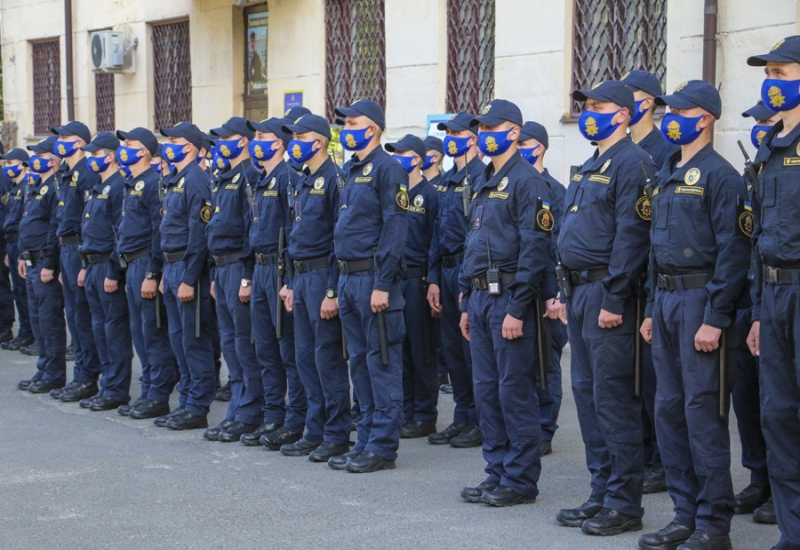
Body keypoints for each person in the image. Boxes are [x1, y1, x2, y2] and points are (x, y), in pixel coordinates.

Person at [637, 80, 749, 550]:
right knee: (667, 408)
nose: (668, 118)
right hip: (664, 301)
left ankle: (713, 523)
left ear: (703, 118)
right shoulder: (666, 169)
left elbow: (734, 251)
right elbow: (655, 249)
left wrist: (715, 316)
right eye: (667, 111)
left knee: (701, 410)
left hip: (699, 300)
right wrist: (648, 307)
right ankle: (685, 513)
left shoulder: (721, 176)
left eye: (678, 112)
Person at [556, 80, 653, 536]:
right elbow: (575, 233)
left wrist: (615, 298)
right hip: (578, 294)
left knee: (614, 400)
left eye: (597, 106)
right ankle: (601, 492)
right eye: (585, 106)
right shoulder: (593, 163)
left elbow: (632, 238)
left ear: (623, 114)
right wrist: (562, 289)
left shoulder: (633, 163)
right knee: (590, 399)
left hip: (607, 297)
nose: (588, 113)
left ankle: (624, 502)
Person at [457, 99, 554, 507]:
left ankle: (520, 479)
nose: (483, 135)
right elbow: (474, 241)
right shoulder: (483, 177)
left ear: (513, 132)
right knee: (486, 390)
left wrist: (517, 308)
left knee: (514, 390)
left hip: (509, 299)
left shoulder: (527, 181)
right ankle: (496, 471)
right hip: (480, 298)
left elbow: (535, 249)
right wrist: (465, 298)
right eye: (480, 129)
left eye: (491, 128)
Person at [330, 99, 407, 473]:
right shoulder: (351, 168)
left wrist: (384, 283)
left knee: (381, 364)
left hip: (373, 281)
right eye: (344, 123)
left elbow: (395, 228)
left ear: (373, 128)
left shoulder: (388, 169)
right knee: (359, 364)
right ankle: (365, 440)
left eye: (353, 122)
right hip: (348, 279)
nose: (346, 128)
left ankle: (382, 446)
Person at [746, 35, 800, 550]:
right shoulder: (768, 148)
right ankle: (792, 531)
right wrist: (760, 313)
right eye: (771, 74)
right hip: (775, 293)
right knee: (778, 416)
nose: (772, 83)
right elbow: (762, 237)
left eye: (782, 75)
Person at [280, 113, 352, 460]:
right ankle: (316, 428)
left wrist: (333, 291)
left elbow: (339, 240)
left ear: (320, 140)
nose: (294, 142)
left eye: (301, 135)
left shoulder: (335, 180)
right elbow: (296, 237)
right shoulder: (303, 180)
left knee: (328, 359)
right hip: (302, 276)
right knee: (305, 358)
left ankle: (337, 433)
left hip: (324, 276)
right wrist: (291, 282)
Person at [621, 69, 679, 495]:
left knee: (655, 375)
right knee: (629, 374)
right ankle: (639, 450)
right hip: (626, 278)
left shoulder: (664, 149)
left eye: (633, 96)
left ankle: (660, 458)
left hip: (652, 278)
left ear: (650, 103)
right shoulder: (619, 150)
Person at [243, 116, 308, 451]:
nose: (257, 141)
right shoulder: (260, 178)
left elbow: (294, 233)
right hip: (259, 269)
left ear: (280, 142)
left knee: (288, 350)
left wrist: (290, 279)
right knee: (265, 349)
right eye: (255, 136)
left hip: (280, 270)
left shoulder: (288, 178)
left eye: (263, 135)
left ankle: (296, 419)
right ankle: (273, 415)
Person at [729, 99, 779, 524]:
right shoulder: (754, 173)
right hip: (747, 300)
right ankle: (760, 478)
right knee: (747, 398)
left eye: (766, 120)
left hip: (775, 299)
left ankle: (782, 487)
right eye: (756, 121)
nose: (760, 128)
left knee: (779, 401)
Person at [203, 117, 264, 442]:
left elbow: (249, 231)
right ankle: (237, 410)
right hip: (222, 268)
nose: (220, 143)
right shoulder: (223, 177)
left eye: (226, 137)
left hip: (239, 268)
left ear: (242, 141)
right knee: (231, 344)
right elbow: (216, 229)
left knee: (244, 344)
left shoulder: (249, 177)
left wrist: (245, 275)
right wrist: (216, 272)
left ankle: (250, 412)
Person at [426, 112, 484, 448]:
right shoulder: (448, 180)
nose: (450, 139)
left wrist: (465, 280)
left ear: (473, 138)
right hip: (446, 271)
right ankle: (462, 414)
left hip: (468, 271)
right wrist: (433, 278)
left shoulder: (480, 177)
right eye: (447, 133)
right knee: (451, 347)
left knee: (471, 348)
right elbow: (437, 233)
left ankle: (479, 418)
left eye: (456, 133)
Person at [156, 122, 216, 430]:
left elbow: (199, 233)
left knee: (194, 340)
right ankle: (187, 400)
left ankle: (198, 406)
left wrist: (189, 278)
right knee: (179, 340)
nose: (170, 145)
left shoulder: (196, 180)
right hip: (171, 265)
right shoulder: (174, 179)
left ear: (191, 146)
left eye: (175, 141)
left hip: (187, 266)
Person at [115, 127, 177, 420]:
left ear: (143, 151)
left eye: (129, 143)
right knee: (140, 333)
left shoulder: (153, 183)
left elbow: (157, 231)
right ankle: (148, 390)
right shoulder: (134, 182)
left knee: (153, 332)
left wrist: (153, 272)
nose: (123, 147)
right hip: (131, 264)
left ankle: (158, 395)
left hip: (144, 263)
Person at [384, 133, 440, 439]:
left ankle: (424, 414)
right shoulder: (395, 192)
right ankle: (405, 410)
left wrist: (433, 280)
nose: (396, 159)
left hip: (418, 280)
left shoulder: (430, 195)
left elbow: (436, 242)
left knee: (422, 351)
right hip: (395, 279)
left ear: (417, 158)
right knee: (399, 349)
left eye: (401, 154)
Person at [517, 120, 567, 457]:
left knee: (546, 361)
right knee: (522, 363)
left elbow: (555, 247)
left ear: (538, 147)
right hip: (520, 285)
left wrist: (554, 293)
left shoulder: (555, 190)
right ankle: (525, 426)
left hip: (545, 289)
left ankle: (545, 428)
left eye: (524, 143)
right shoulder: (515, 184)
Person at [76, 132, 133, 411]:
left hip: (108, 266)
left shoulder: (119, 186)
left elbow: (119, 235)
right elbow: (91, 230)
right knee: (99, 329)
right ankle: (107, 385)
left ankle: (116, 390)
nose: (91, 159)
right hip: (93, 265)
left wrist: (112, 270)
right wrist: (86, 266)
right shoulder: (99, 186)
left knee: (114, 330)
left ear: (110, 156)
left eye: (95, 155)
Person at [51, 121, 102, 401]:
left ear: (80, 142)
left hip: (80, 249)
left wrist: (84, 262)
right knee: (73, 315)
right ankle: (81, 373)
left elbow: (89, 221)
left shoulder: (87, 173)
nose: (60, 141)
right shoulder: (66, 172)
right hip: (66, 249)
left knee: (83, 316)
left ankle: (87, 377)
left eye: (66, 137)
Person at [16, 136, 67, 393]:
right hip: (31, 259)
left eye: (40, 154)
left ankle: (54, 374)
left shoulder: (55, 185)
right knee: (37, 320)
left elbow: (54, 229)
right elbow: (29, 224)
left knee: (49, 320)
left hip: (44, 262)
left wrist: (49, 263)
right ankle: (44, 368)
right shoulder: (37, 185)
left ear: (53, 159)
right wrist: (22, 256)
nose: (34, 159)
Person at [1, 148, 35, 352]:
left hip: (21, 243)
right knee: (18, 290)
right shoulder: (15, 188)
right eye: (5, 163)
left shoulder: (28, 187)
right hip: (11, 243)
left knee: (24, 291)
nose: (7, 167)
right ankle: (25, 331)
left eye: (11, 162)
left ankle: (29, 333)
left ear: (23, 164)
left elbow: (26, 222)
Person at [622, 70, 680, 169]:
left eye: (626, 94)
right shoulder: (619, 145)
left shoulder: (669, 150)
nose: (619, 100)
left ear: (647, 103)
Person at [0, 142, 16, 346]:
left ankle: (4, 326)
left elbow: (5, 211)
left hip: (1, 239)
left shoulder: (3, 179)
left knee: (2, 284)